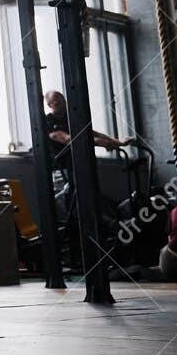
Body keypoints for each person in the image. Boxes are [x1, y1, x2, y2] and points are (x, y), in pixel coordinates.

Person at [42, 89, 134, 241]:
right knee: (76, 203)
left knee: (92, 197)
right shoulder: (49, 122)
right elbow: (71, 139)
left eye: (63, 99)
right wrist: (106, 144)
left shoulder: (70, 118)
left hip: (77, 168)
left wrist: (117, 141)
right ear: (50, 104)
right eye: (58, 101)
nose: (63, 103)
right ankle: (113, 227)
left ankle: (112, 227)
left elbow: (90, 133)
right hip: (61, 172)